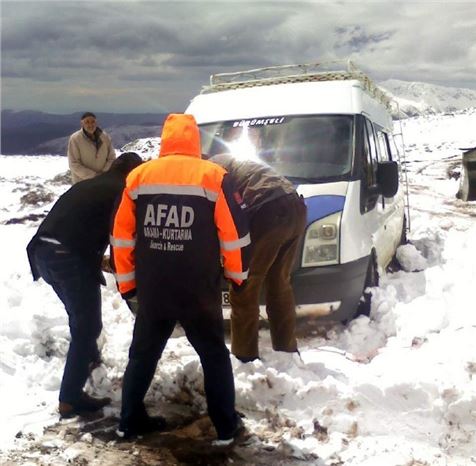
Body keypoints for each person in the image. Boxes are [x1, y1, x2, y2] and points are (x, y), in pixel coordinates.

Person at [111, 114, 250, 444]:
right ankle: (226, 427)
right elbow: (234, 234)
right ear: (195, 141)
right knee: (214, 355)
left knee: (143, 354)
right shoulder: (214, 176)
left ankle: (127, 421)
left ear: (165, 140)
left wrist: (128, 283)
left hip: (154, 288)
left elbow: (121, 236)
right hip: (198, 289)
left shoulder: (138, 177)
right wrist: (238, 276)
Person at [26, 152, 143, 418]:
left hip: (42, 252)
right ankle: (70, 398)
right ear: (132, 173)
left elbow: (83, 223)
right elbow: (119, 236)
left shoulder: (91, 184)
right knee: (87, 326)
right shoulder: (121, 191)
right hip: (68, 257)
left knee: (82, 320)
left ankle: (89, 361)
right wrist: (123, 268)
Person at [210, 152, 307, 363]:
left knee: (244, 285)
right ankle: (287, 352)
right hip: (295, 206)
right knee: (279, 283)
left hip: (268, 210)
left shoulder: (211, 171)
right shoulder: (231, 162)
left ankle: (245, 358)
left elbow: (224, 216)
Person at [68, 112, 116, 184]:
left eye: (93, 122)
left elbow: (111, 157)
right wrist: (93, 176)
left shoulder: (104, 137)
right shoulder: (75, 139)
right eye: (87, 122)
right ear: (82, 124)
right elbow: (74, 163)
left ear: (96, 123)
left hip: (102, 181)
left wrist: (104, 172)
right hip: (83, 183)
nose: (90, 124)